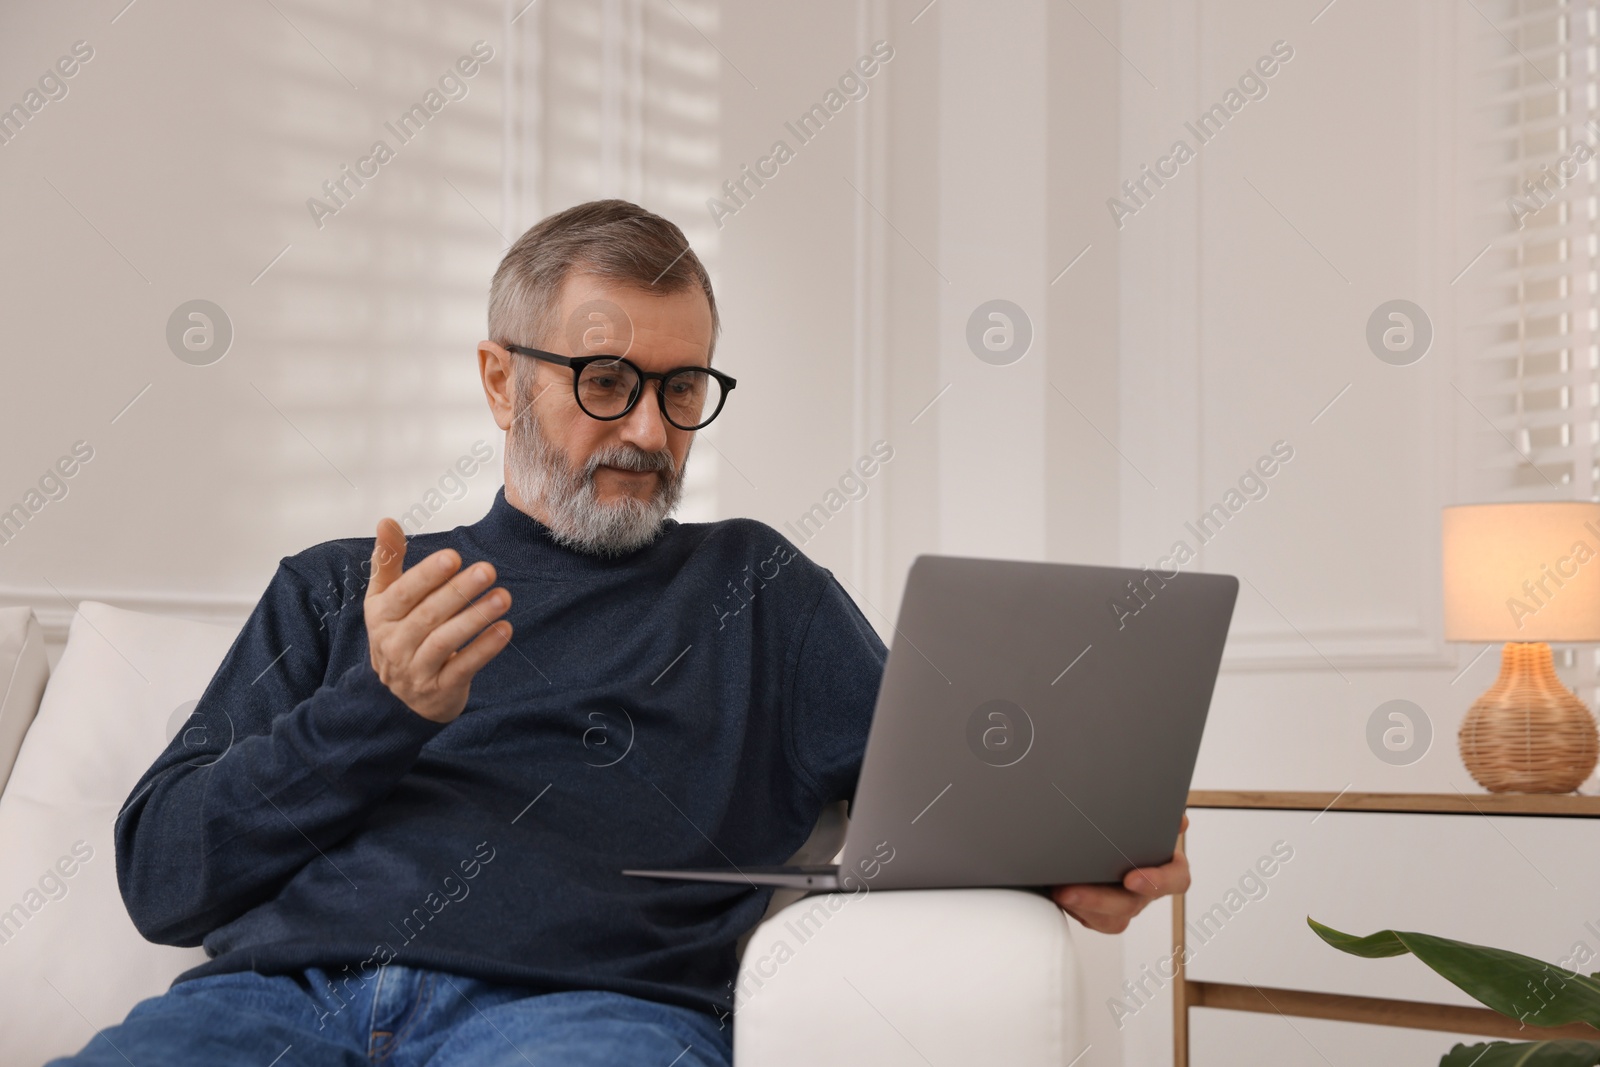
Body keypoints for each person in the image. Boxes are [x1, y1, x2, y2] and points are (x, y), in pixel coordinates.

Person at [53, 199, 1188, 1067]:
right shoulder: (346, 587)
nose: (650, 427)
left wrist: (1071, 853)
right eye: (605, 380)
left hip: (581, 1017)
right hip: (272, 1003)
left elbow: (941, 794)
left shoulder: (758, 591)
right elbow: (163, 883)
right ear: (501, 380)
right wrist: (378, 707)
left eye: (682, 385)